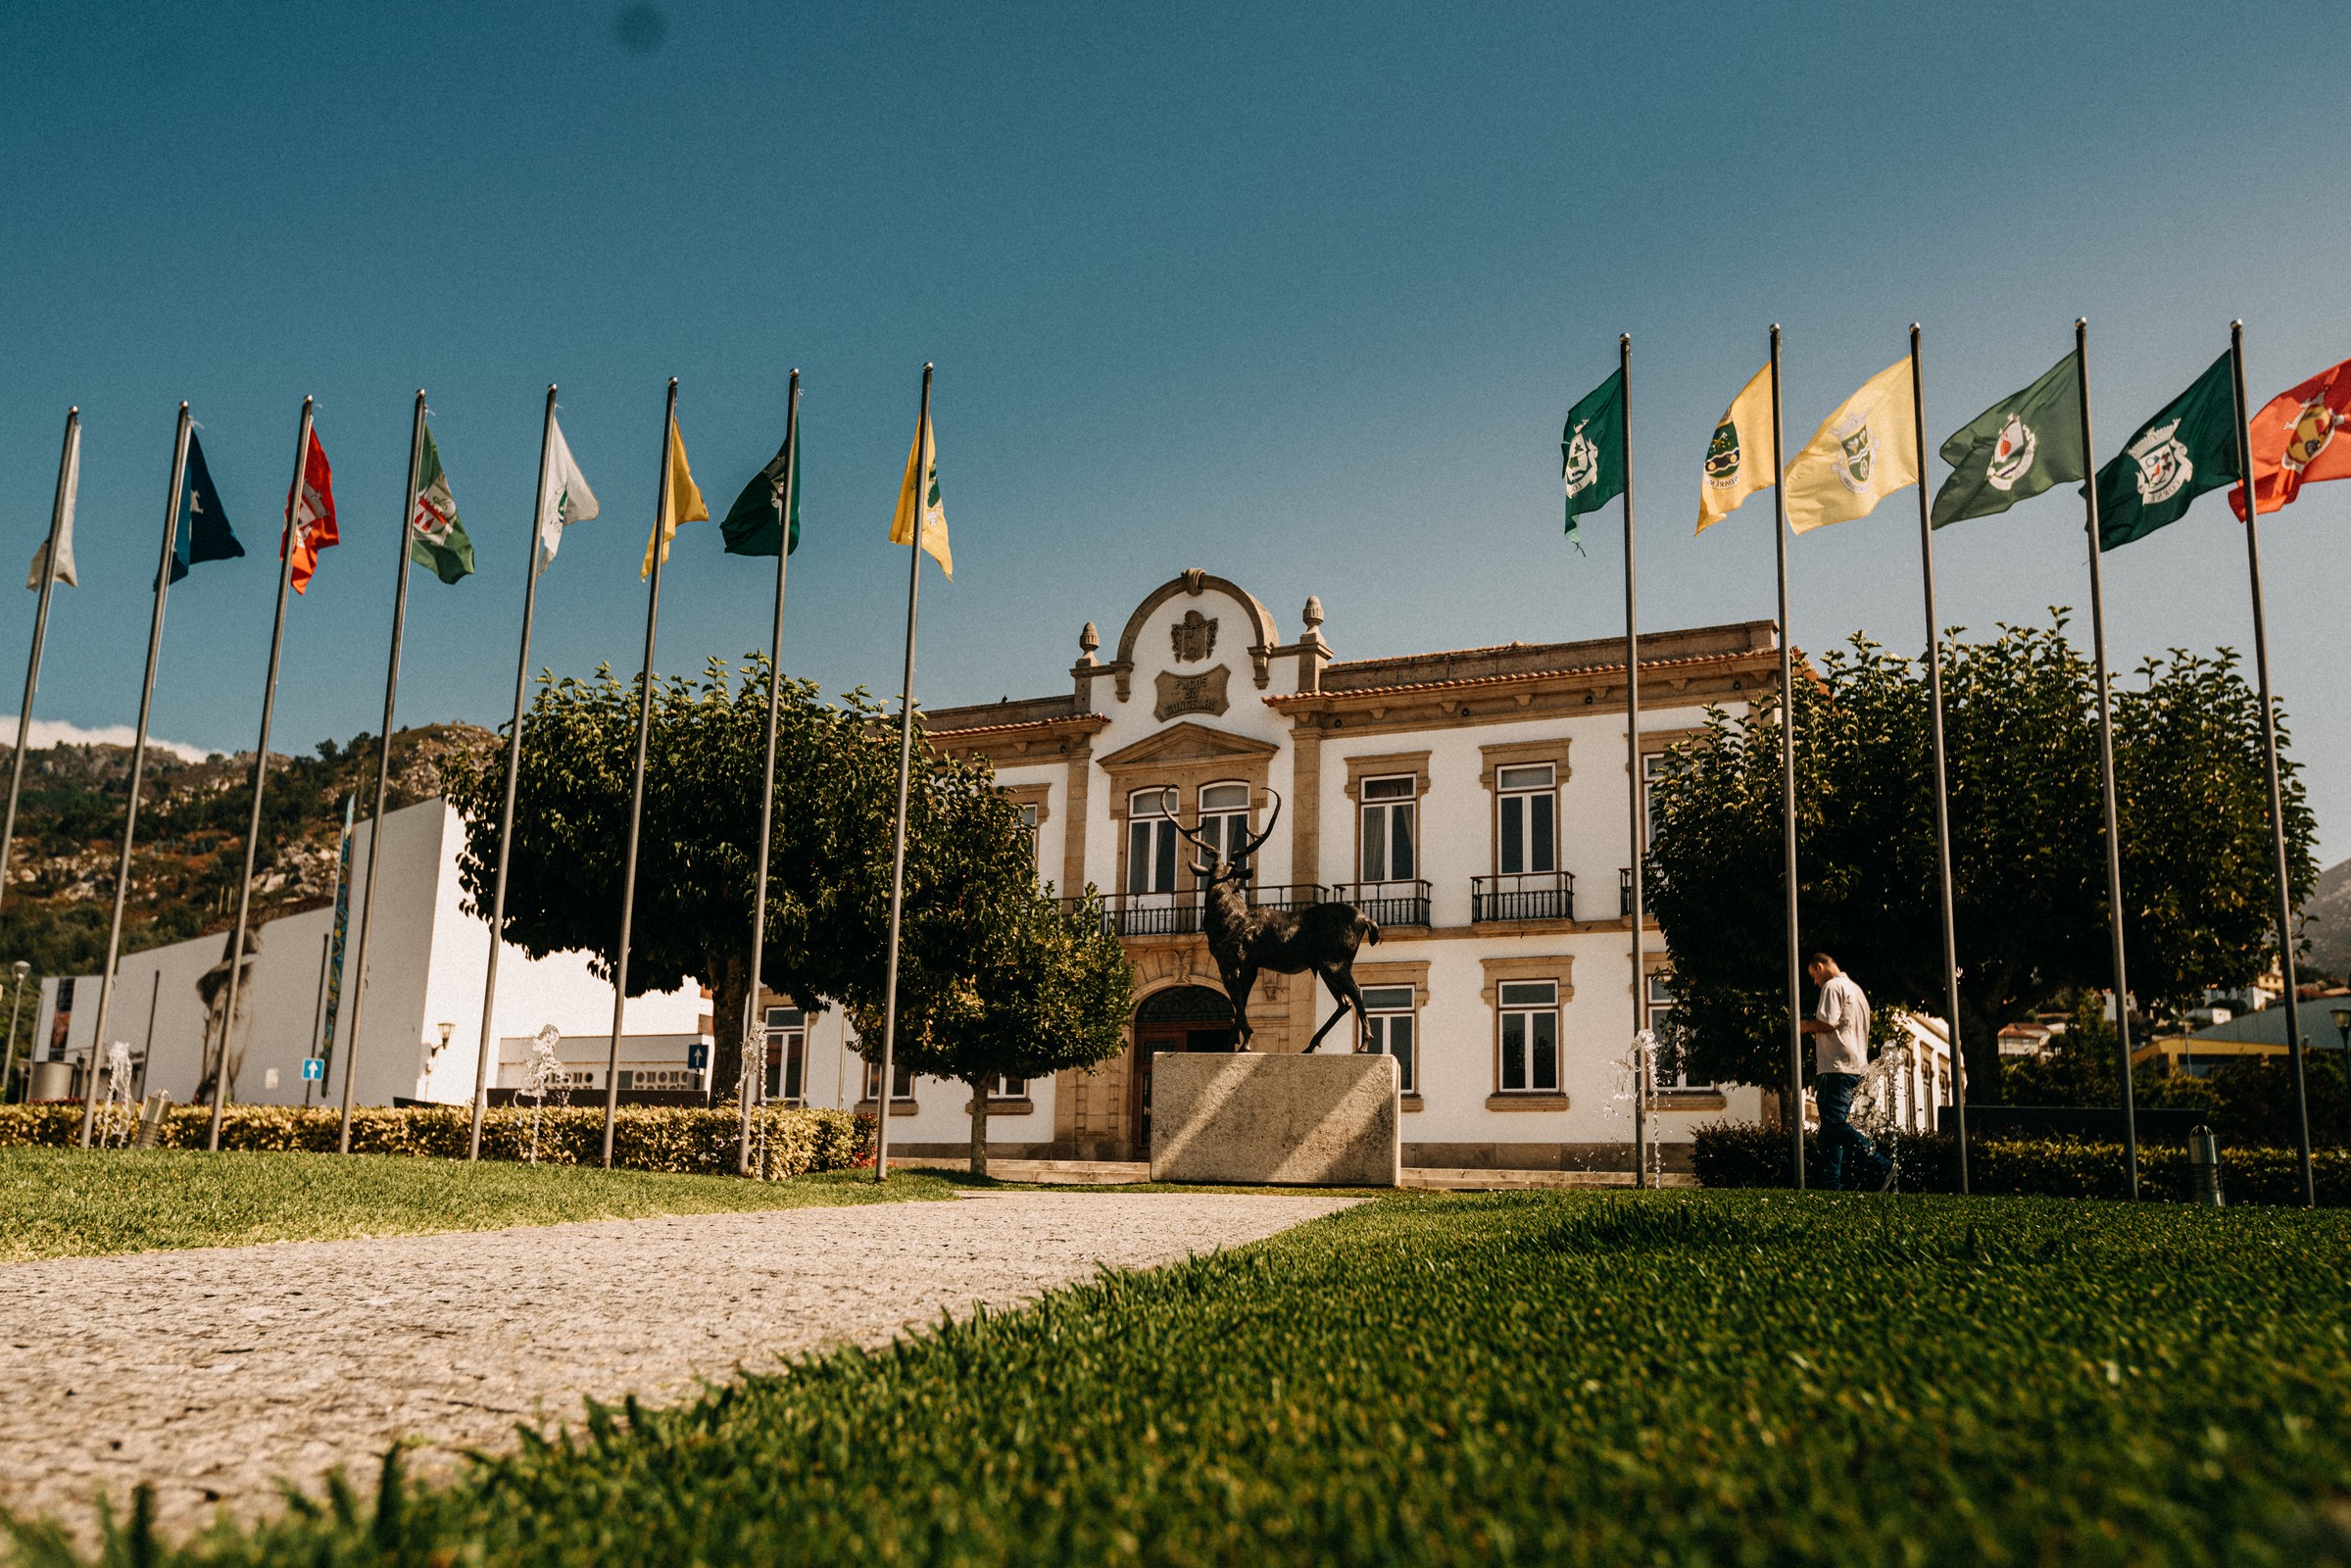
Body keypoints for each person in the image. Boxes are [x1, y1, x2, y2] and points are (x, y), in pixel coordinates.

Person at [1798, 952, 1895, 1193]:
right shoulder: (1858, 991)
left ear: (1820, 967)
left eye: (1813, 975)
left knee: (1834, 1124)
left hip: (1835, 1066)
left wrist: (1804, 1026)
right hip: (1855, 1066)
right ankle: (1831, 1183)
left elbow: (1827, 1023)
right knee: (1830, 1131)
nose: (1814, 982)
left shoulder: (1832, 987)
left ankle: (1881, 1165)